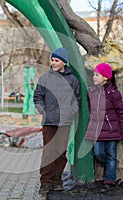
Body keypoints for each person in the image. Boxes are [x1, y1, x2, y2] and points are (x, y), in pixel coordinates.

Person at [33, 47, 81, 195]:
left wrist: (72, 111)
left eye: (56, 60)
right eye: (52, 60)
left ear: (64, 62)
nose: (53, 63)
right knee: (48, 153)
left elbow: (77, 99)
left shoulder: (72, 80)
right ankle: (45, 183)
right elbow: (38, 97)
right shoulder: (45, 78)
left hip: (65, 122)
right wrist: (43, 110)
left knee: (60, 153)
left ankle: (57, 180)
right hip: (49, 122)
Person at [84, 63, 123, 192]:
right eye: (94, 74)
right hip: (97, 131)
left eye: (97, 75)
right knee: (98, 153)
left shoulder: (113, 93)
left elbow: (122, 113)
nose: (94, 77)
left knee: (112, 156)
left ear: (105, 77)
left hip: (112, 130)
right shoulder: (91, 92)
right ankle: (111, 168)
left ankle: (109, 181)